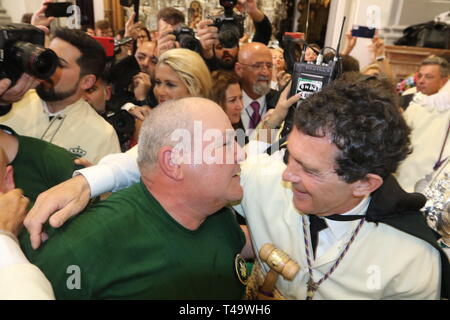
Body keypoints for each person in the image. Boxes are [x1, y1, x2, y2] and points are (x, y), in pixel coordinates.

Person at [25, 77, 449, 300]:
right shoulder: (266, 182)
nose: (286, 175)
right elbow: (174, 155)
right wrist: (88, 180)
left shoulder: (413, 260)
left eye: (308, 170)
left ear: (365, 183)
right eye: (289, 156)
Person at [21, 97, 251, 299]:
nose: (241, 153)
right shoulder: (86, 246)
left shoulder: (218, 216)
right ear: (173, 163)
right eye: (224, 143)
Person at [0, 28, 121, 164]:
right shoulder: (9, 100)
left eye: (59, 64)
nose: (46, 69)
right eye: (46, 58)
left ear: (87, 81)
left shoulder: (102, 135)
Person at [395, 57, 450, 192]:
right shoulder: (413, 101)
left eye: (429, 77)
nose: (421, 81)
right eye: (420, 76)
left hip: (435, 173)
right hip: (406, 171)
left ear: (444, 81)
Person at [234, 42, 279, 132]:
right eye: (257, 66)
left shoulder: (280, 103)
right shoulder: (225, 104)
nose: (265, 72)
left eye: (269, 66)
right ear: (239, 69)